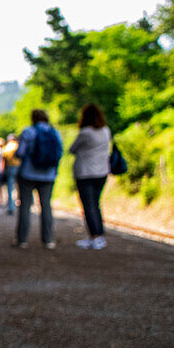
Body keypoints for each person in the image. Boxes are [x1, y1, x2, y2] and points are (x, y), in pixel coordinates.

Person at [15, 109, 63, 249]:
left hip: (28, 174)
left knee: (25, 206)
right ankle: (48, 240)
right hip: (48, 175)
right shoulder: (55, 132)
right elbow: (59, 152)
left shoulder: (28, 132)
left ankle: (22, 239)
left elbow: (20, 152)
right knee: (46, 206)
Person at [70, 103, 111, 249]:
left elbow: (72, 149)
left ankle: (94, 236)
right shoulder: (106, 130)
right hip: (102, 172)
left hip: (85, 173)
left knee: (88, 206)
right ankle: (98, 235)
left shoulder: (85, 133)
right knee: (96, 204)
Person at [2, 133, 21, 214]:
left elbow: (4, 160)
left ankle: (11, 207)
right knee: (20, 188)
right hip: (20, 168)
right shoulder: (18, 146)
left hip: (10, 168)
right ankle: (22, 205)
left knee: (10, 188)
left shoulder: (6, 147)